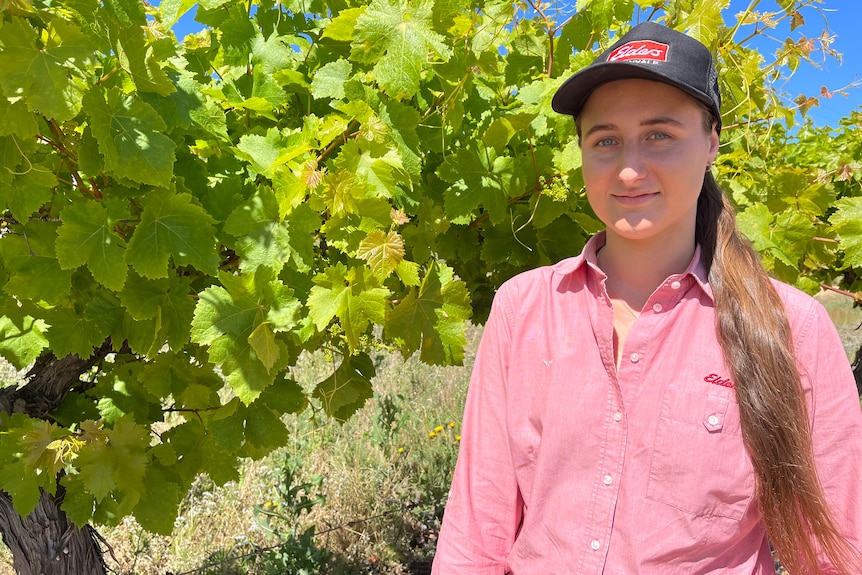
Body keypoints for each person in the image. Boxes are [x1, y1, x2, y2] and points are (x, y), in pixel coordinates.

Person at [431, 21, 862, 574]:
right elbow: (476, 532)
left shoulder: (793, 329)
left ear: (711, 141)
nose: (630, 169)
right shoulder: (523, 308)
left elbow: (831, 556)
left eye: (660, 134)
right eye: (605, 139)